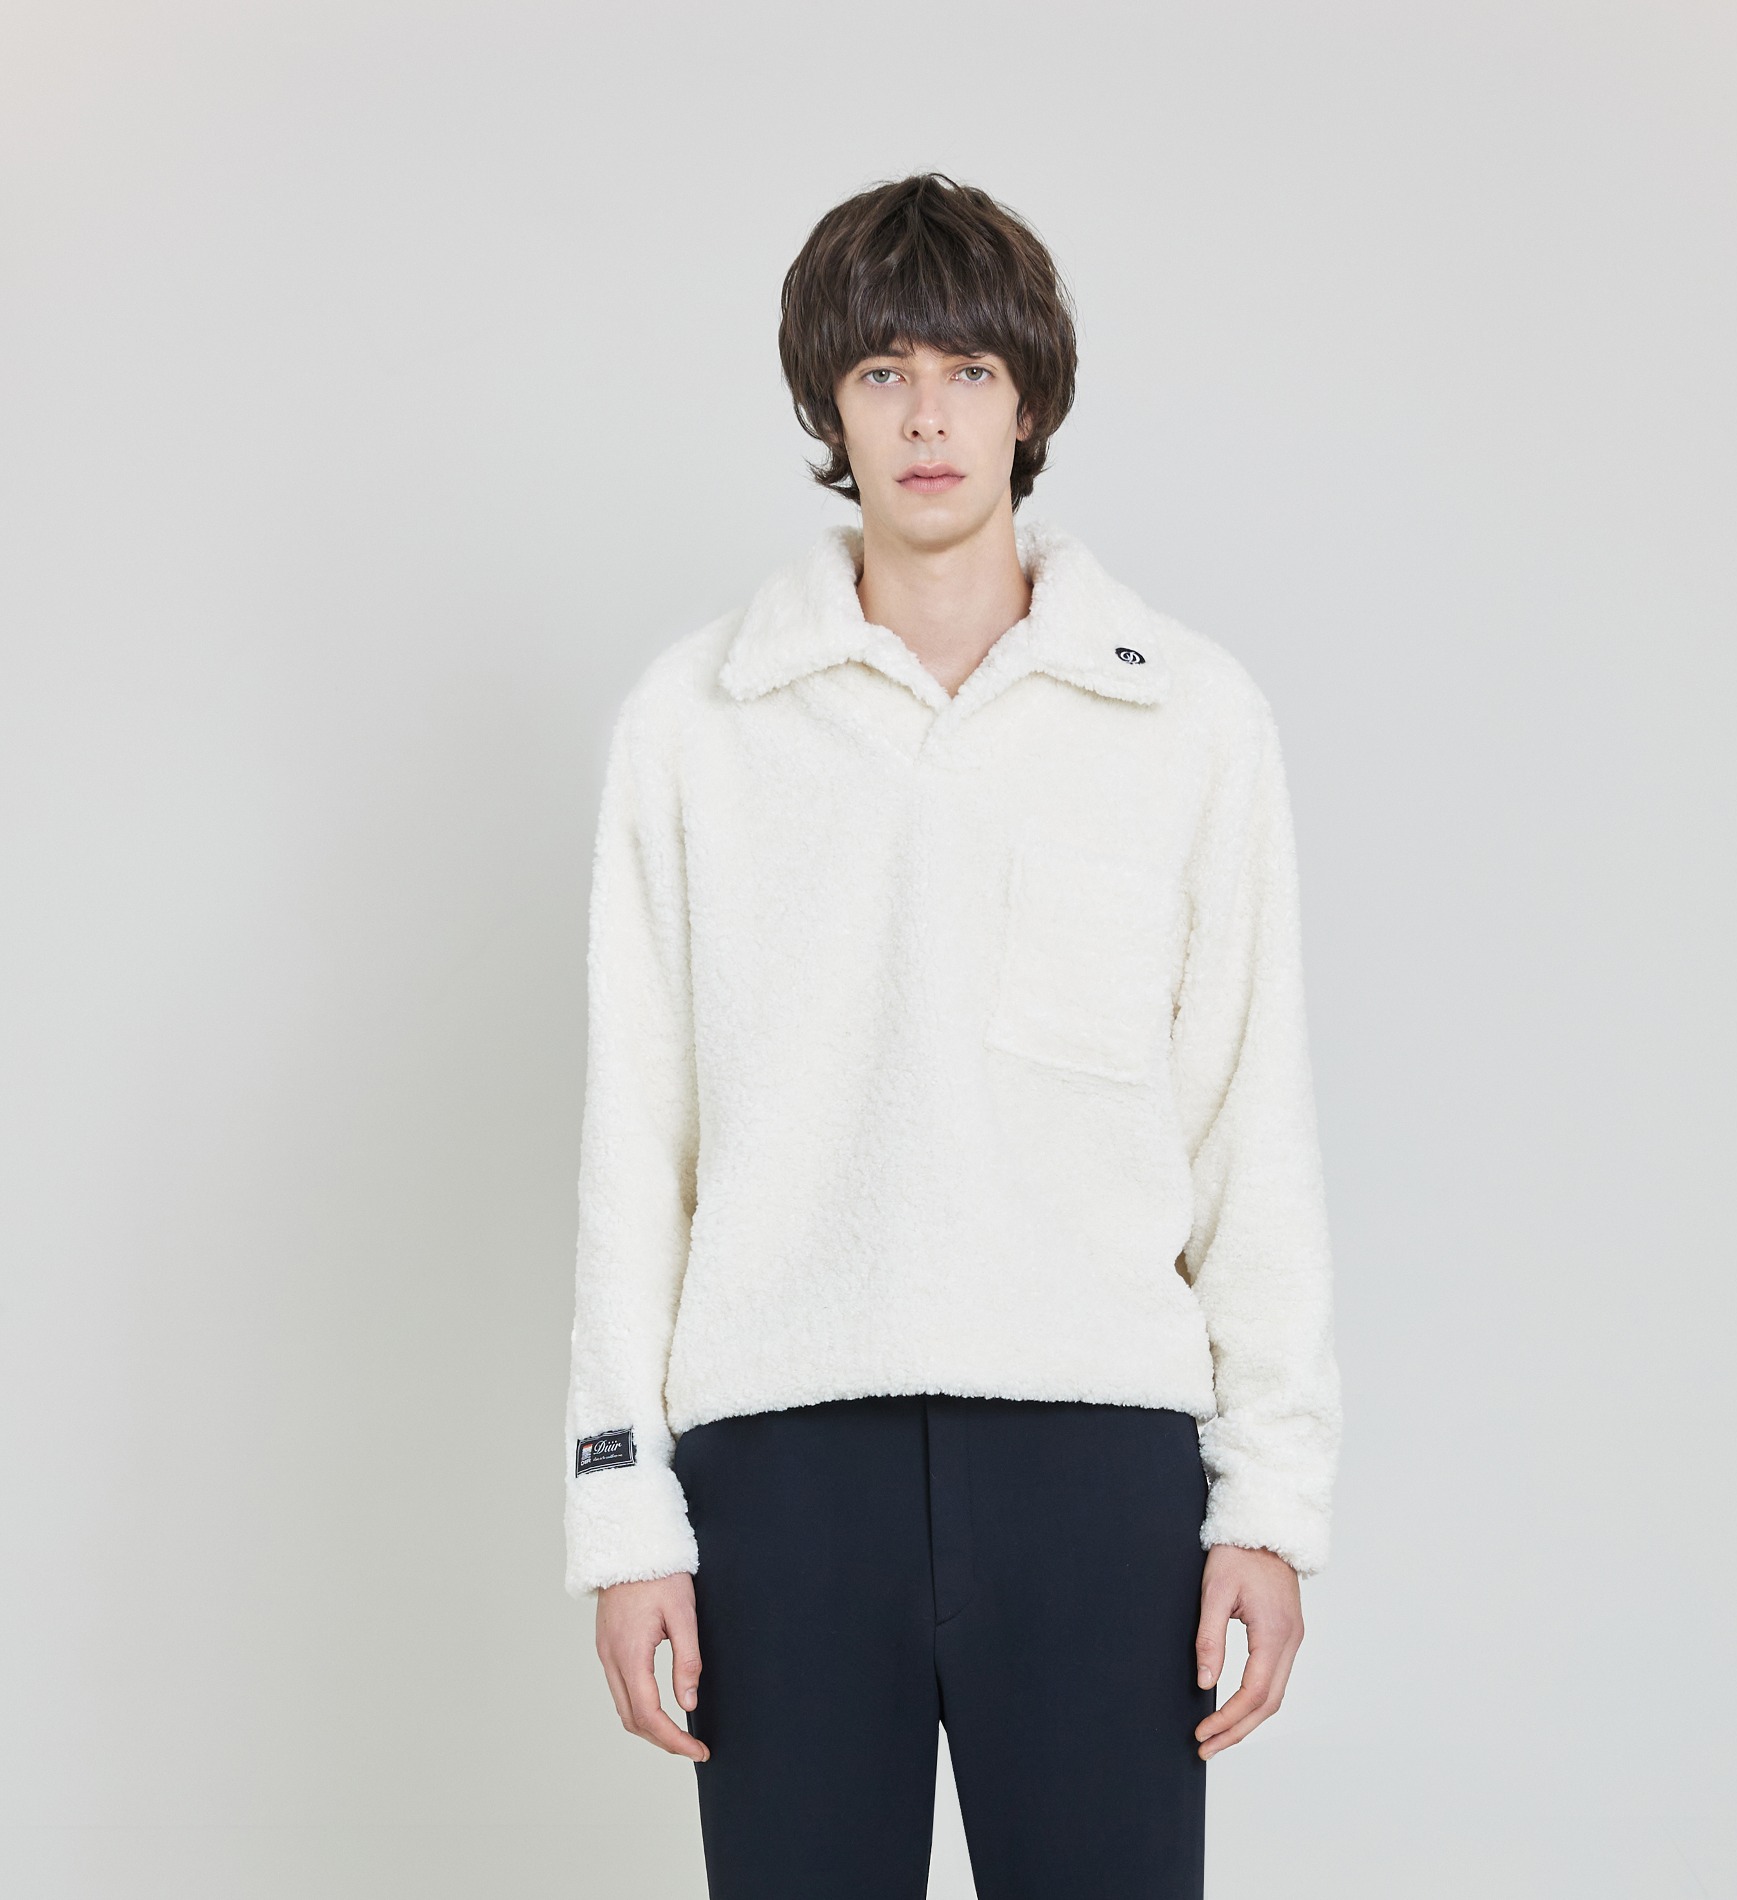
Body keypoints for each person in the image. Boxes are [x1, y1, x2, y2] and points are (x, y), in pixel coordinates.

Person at [563, 172, 1342, 1900]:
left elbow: (1248, 1128)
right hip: (781, 1456)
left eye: (970, 372)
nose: (928, 417)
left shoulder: (1187, 715)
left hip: (1096, 1449)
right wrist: (623, 1517)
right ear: (827, 407)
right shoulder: (695, 723)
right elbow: (638, 1140)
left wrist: (1269, 1505)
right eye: (884, 373)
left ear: (1031, 400)